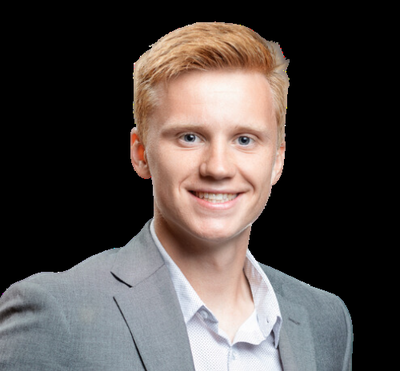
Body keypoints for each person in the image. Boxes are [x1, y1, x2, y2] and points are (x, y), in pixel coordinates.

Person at [0, 22, 353, 370]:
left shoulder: (325, 322)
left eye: (244, 139)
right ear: (140, 153)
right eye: (189, 137)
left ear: (277, 160)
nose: (218, 168)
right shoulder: (56, 313)